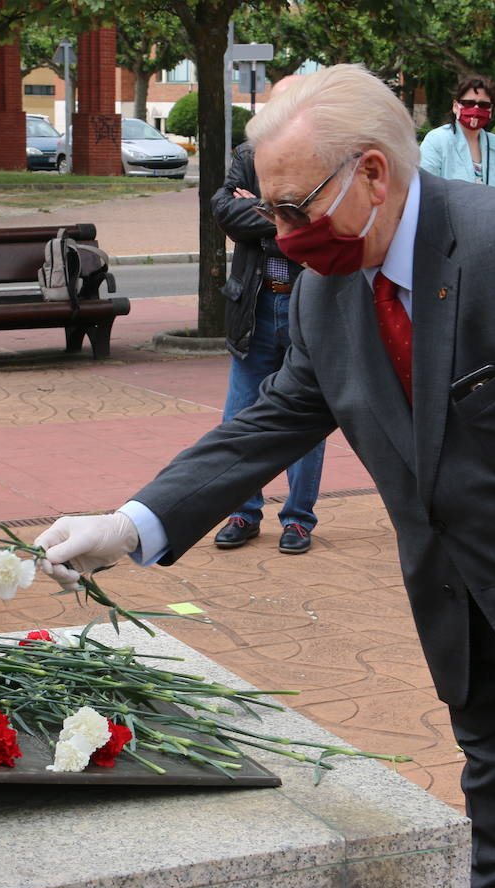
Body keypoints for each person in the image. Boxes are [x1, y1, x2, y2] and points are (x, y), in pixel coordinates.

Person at [33, 64, 495, 888]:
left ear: (372, 174)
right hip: (479, 630)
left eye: (293, 208)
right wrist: (130, 525)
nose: (279, 231)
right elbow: (271, 423)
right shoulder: (326, 292)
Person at [210, 76, 324, 555]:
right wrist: (285, 216)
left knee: (306, 418)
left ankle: (298, 520)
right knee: (241, 418)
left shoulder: (322, 155)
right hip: (255, 306)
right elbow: (222, 211)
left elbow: (319, 222)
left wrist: (258, 214)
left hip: (305, 305)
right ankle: (243, 511)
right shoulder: (247, 152)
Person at [418, 75, 495, 194]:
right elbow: (425, 188)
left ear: (491, 110)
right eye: (469, 103)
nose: (476, 109)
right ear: (456, 106)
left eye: (483, 105)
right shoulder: (437, 140)